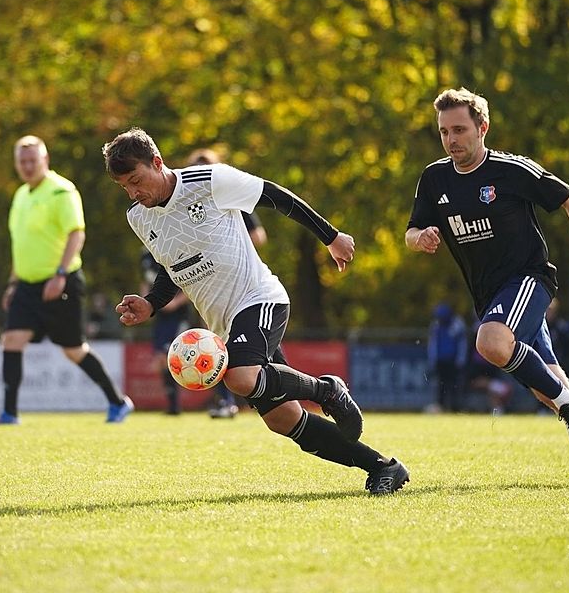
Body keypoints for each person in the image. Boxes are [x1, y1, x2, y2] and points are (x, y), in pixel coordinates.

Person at [103, 127, 409, 495]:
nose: (134, 192)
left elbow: (276, 196)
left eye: (137, 180)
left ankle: (327, 389)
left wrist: (331, 237)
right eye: (125, 187)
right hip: (225, 325)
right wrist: (151, 303)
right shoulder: (140, 217)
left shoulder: (209, 180)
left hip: (259, 298)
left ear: (157, 162)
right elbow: (174, 267)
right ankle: (383, 468)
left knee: (240, 377)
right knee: (284, 419)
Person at [405, 87, 569, 485]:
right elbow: (411, 229)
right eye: (443, 132)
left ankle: (568, 403)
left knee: (490, 343)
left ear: (482, 128)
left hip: (528, 280)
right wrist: (418, 238)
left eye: (459, 130)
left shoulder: (511, 170)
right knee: (551, 387)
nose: (451, 140)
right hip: (491, 297)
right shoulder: (435, 178)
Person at [0, 135, 133, 425]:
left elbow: (77, 233)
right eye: (21, 161)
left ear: (45, 160)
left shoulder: (62, 191)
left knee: (73, 350)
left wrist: (60, 274)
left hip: (61, 282)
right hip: (26, 285)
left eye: (32, 160)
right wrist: (13, 283)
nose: (26, 166)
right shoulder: (21, 195)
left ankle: (118, 402)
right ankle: (9, 413)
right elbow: (21, 245)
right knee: (11, 340)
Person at [186, 147, 269, 419]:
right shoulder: (187, 205)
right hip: (207, 287)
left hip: (244, 285)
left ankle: (276, 392)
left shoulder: (229, 197)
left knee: (256, 353)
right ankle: (225, 401)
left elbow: (259, 236)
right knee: (211, 346)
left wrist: (230, 241)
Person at [141, 248, 191, 415]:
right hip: (160, 315)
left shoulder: (173, 247)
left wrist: (175, 303)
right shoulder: (145, 256)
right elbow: (144, 282)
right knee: (161, 360)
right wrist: (146, 302)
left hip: (179, 315)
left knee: (172, 356)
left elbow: (192, 282)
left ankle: (222, 400)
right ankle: (173, 406)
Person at [424, 303, 468, 413]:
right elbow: (433, 344)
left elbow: (462, 344)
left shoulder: (458, 324)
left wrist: (460, 359)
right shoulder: (436, 325)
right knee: (441, 385)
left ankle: (455, 408)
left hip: (453, 360)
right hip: (441, 360)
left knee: (454, 385)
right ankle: (440, 407)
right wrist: (432, 360)